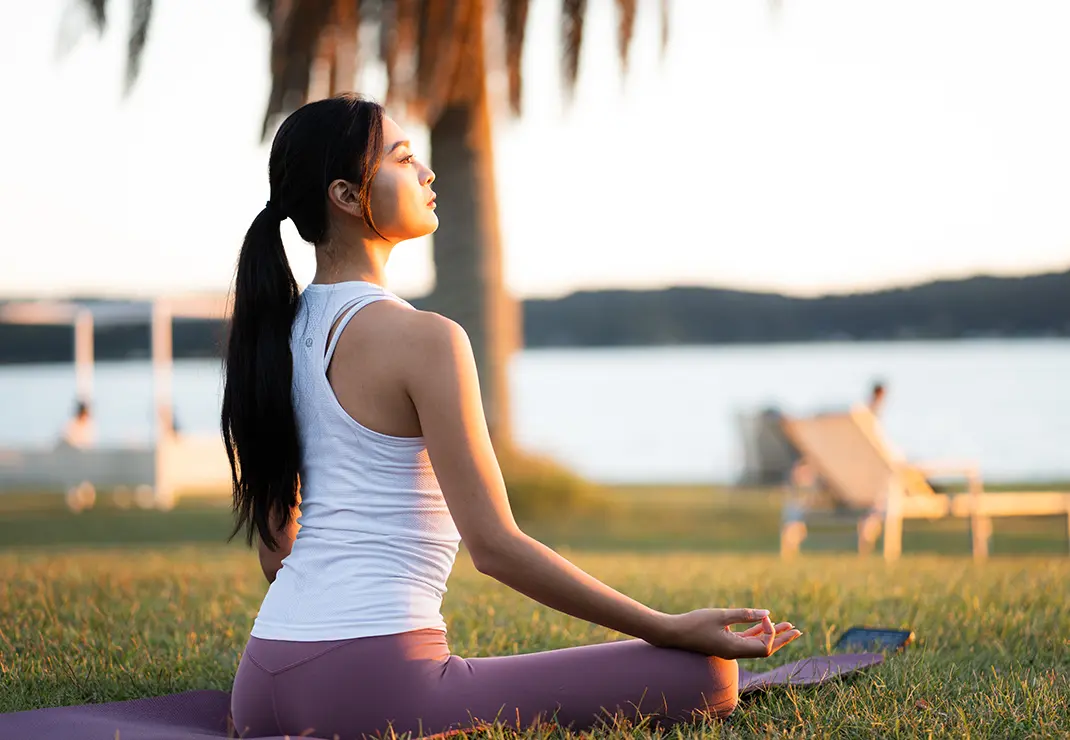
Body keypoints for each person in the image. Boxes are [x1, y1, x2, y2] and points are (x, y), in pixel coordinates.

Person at [224, 94, 803, 740]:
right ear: (347, 196)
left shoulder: (275, 333)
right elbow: (496, 548)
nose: (427, 173)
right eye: (403, 157)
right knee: (709, 678)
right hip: (372, 689)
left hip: (262, 683)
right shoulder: (426, 340)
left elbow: (279, 553)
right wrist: (666, 626)